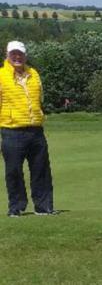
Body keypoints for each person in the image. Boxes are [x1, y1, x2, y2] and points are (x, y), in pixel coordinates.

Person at [0, 41, 56, 217]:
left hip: (35, 130)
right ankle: (16, 207)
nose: (17, 57)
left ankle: (43, 206)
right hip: (12, 130)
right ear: (7, 55)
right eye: (13, 54)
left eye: (20, 54)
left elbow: (39, 99)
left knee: (41, 169)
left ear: (25, 56)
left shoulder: (34, 74)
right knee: (14, 170)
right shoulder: (1, 75)